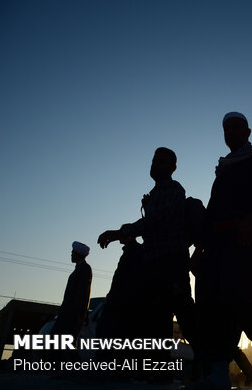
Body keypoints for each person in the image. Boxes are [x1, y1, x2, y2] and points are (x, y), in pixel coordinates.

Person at [191, 112, 252, 390]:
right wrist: (200, 246)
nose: (231, 131)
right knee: (210, 305)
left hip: (245, 239)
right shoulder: (223, 168)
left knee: (238, 297)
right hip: (216, 244)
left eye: (237, 126)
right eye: (226, 128)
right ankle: (219, 373)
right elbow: (213, 210)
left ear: (248, 131)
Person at [97, 147, 200, 368]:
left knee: (185, 315)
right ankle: (159, 369)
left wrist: (120, 232)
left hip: (172, 261)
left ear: (173, 168)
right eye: (154, 160)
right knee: (156, 317)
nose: (156, 165)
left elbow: (157, 222)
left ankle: (211, 364)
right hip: (155, 263)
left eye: (162, 162)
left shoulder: (174, 189)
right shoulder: (154, 194)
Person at [51, 241, 93, 343]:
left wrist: (81, 313)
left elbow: (84, 293)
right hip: (68, 313)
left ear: (78, 254)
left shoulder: (85, 269)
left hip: (72, 315)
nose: (71, 254)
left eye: (73, 252)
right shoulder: (80, 269)